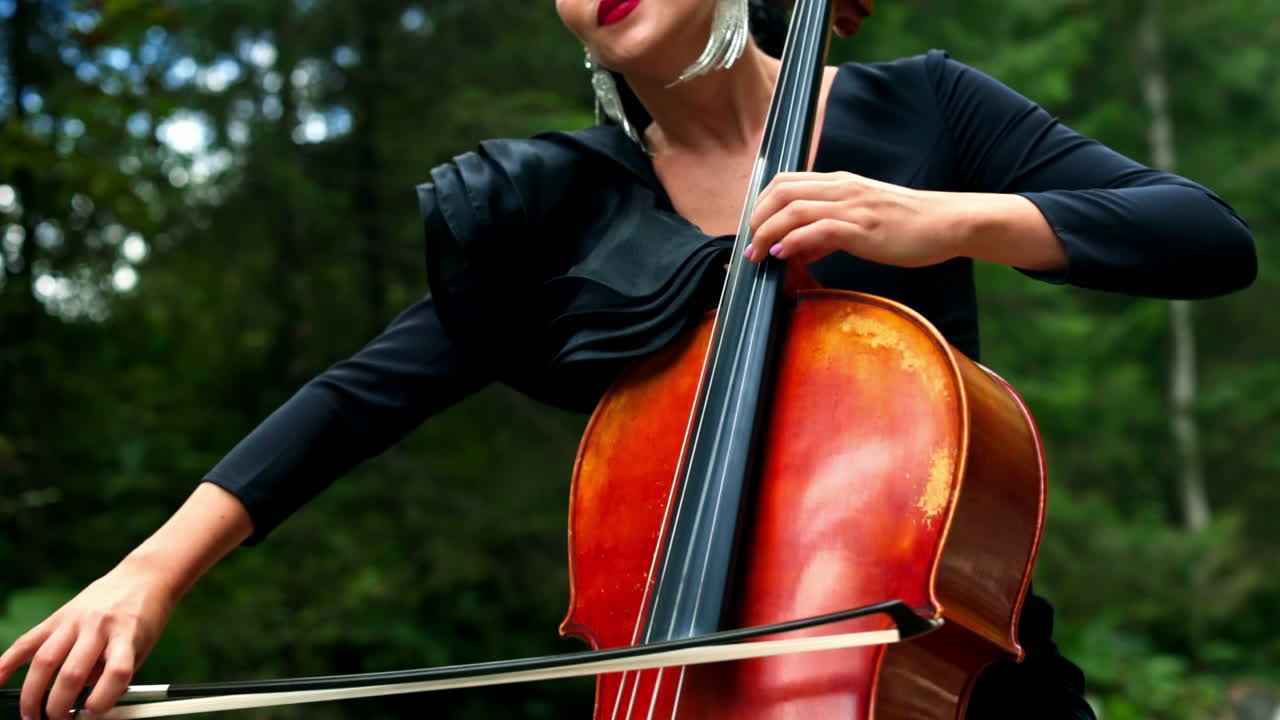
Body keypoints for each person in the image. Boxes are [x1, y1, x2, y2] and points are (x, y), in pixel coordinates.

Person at [0, 0, 1257, 718]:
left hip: (948, 689)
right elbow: (359, 395)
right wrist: (146, 576)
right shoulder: (563, 210)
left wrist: (943, 218)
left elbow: (1203, 237)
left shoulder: (922, 110)